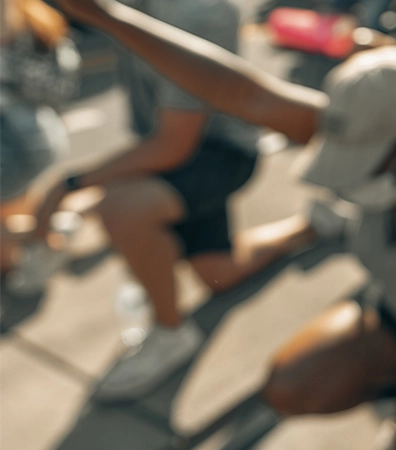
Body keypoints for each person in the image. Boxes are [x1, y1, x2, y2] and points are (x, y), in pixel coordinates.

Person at [53, 0, 396, 446]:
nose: (350, 178)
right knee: (288, 385)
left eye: (365, 160)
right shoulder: (360, 125)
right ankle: (394, 387)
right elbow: (238, 91)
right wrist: (109, 17)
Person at [28, 0, 314, 401]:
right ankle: (311, 225)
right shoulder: (131, 6)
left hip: (219, 153)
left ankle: (170, 331)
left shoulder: (197, 14)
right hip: (182, 146)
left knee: (123, 210)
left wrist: (68, 186)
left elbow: (175, 144)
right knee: (220, 273)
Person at [0, 0, 78, 281]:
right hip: (39, 129)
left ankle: (52, 232)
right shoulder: (34, 14)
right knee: (16, 213)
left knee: (9, 222)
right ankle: (52, 230)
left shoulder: (15, 20)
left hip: (15, 143)